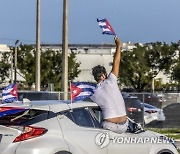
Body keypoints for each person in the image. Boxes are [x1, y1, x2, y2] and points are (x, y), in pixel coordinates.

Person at [90, 36, 128, 134]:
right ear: (104, 75)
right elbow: (116, 62)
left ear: (95, 78)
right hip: (124, 125)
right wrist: (118, 45)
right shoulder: (111, 80)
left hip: (109, 126)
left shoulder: (93, 92)